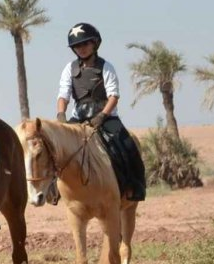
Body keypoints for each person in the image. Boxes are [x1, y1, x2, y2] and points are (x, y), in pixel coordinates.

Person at [56, 22, 148, 202]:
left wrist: (102, 115)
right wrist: (61, 115)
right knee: (58, 148)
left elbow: (114, 95)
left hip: (105, 116)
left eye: (84, 44)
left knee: (127, 145)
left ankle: (134, 185)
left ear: (95, 43)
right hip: (79, 117)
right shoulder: (69, 69)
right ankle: (54, 189)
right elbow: (63, 95)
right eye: (76, 46)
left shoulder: (106, 67)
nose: (80, 49)